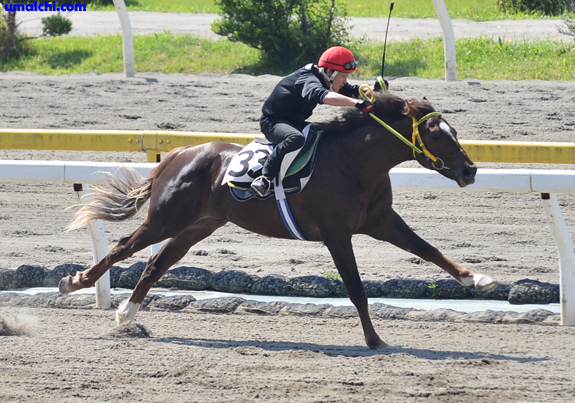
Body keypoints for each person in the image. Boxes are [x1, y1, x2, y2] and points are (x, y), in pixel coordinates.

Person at [250, 46, 374, 197]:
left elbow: (352, 90)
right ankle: (265, 178)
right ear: (330, 72)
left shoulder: (326, 78)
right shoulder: (308, 79)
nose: (345, 81)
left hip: (294, 122)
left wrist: (373, 89)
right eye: (343, 76)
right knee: (295, 138)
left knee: (326, 132)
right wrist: (357, 103)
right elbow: (323, 96)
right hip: (272, 122)